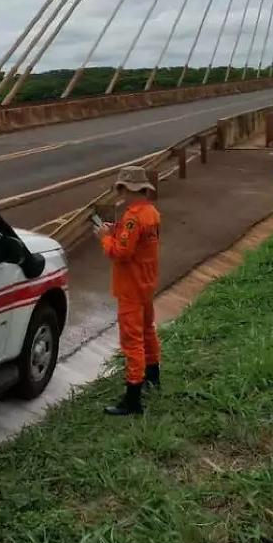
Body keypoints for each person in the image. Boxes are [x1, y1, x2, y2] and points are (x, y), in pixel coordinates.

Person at [95, 166, 161, 416]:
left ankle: (133, 399)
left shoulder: (133, 217)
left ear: (125, 189)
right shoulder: (151, 213)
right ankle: (153, 377)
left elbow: (121, 253)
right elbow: (139, 242)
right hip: (146, 283)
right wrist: (118, 231)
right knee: (147, 332)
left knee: (131, 341)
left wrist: (105, 237)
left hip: (130, 286)